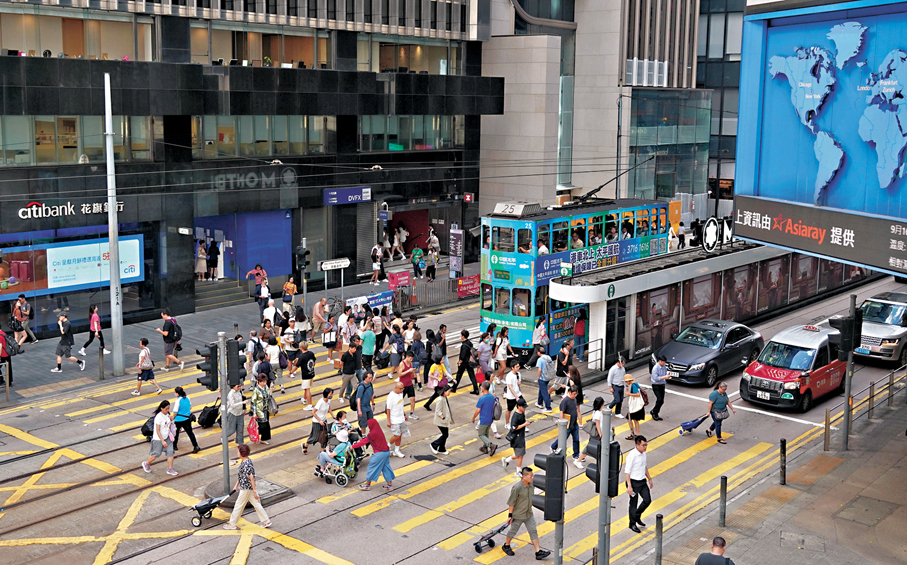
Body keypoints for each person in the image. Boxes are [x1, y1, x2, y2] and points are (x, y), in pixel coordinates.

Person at [500, 467, 551, 560]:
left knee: (533, 531)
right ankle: (506, 545)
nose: (532, 477)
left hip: (528, 514)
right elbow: (511, 502)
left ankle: (538, 552)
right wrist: (510, 516)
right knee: (513, 531)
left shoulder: (531, 485)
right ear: (524, 477)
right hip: (518, 515)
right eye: (530, 476)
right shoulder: (517, 488)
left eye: (532, 475)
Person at [223, 444, 271, 529]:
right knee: (256, 504)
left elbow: (251, 477)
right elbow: (241, 475)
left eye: (238, 452)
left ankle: (232, 524)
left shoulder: (246, 465)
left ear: (242, 453)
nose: (237, 453)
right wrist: (236, 485)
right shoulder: (247, 461)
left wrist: (254, 491)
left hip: (246, 488)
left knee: (238, 505)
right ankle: (266, 521)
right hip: (248, 488)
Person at [355, 418, 395, 491]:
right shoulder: (379, 431)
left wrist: (352, 447)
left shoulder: (372, 434)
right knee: (386, 468)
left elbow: (363, 442)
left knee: (372, 468)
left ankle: (367, 485)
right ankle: (389, 486)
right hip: (386, 452)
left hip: (379, 453)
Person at [625, 435, 653, 533]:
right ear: (637, 445)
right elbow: (627, 472)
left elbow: (644, 466)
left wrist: (649, 478)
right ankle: (632, 523)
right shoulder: (632, 456)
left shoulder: (643, 454)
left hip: (642, 481)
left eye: (646, 445)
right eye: (643, 445)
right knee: (633, 504)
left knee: (647, 500)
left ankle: (637, 515)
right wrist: (629, 486)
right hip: (633, 482)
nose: (645, 447)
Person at [142, 400, 177, 476]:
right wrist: (162, 441)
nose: (167, 410)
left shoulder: (167, 414)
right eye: (166, 409)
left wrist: (171, 418)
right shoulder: (158, 417)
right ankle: (146, 463)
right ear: (162, 408)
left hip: (167, 437)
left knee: (170, 452)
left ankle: (170, 469)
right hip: (158, 439)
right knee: (156, 454)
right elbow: (157, 430)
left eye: (168, 408)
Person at [501, 398, 531, 477]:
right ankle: (517, 471)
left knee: (520, 454)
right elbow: (513, 427)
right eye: (523, 406)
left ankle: (506, 460)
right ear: (519, 406)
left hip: (521, 436)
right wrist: (524, 425)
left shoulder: (522, 413)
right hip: (517, 438)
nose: (524, 408)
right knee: (520, 455)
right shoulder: (516, 415)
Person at [551, 385, 582, 460]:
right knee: (563, 438)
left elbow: (577, 410)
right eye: (573, 394)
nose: (575, 395)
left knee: (576, 439)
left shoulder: (574, 400)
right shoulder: (565, 401)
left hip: (574, 424)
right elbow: (562, 411)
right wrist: (562, 423)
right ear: (569, 392)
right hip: (567, 425)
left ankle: (576, 454)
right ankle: (553, 446)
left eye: (576, 394)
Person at [574, 397, 605, 469]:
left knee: (594, 448)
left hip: (596, 433)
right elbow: (597, 425)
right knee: (590, 448)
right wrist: (601, 436)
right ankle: (578, 460)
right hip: (596, 434)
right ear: (601, 404)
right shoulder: (598, 413)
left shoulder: (596, 412)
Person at [303, 387, 334, 455]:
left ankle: (322, 451)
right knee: (315, 437)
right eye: (330, 394)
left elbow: (328, 407)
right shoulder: (320, 402)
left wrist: (332, 415)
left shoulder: (328, 400)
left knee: (324, 436)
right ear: (326, 394)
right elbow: (313, 412)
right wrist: (319, 420)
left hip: (324, 421)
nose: (331, 395)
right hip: (317, 422)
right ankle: (305, 445)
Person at [471, 381, 497, 457]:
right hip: (490, 418)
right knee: (486, 433)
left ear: (483, 388)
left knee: (481, 434)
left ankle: (491, 445)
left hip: (484, 419)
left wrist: (473, 418)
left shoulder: (482, 398)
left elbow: (478, 410)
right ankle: (484, 447)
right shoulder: (492, 396)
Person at [172, 386, 200, 454]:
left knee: (176, 433)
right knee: (190, 433)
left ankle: (174, 446)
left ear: (177, 393)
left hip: (179, 419)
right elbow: (190, 407)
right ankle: (196, 446)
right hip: (187, 419)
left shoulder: (178, 400)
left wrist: (172, 417)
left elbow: (175, 412)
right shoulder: (187, 398)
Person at [386, 380, 409, 458]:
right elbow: (388, 409)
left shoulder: (401, 394)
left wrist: (404, 414)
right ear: (396, 388)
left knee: (400, 435)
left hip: (401, 418)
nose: (402, 390)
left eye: (402, 388)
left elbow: (401, 405)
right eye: (400, 389)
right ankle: (387, 446)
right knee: (396, 435)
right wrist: (388, 421)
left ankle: (396, 450)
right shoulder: (391, 396)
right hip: (394, 419)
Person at [430, 385, 454, 455]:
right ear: (444, 391)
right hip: (441, 421)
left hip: (444, 420)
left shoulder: (444, 398)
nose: (449, 393)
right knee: (445, 435)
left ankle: (442, 448)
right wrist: (443, 418)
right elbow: (438, 411)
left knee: (445, 434)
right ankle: (434, 445)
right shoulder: (440, 399)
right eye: (449, 391)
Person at [453, 329, 478, 394]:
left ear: (463, 336)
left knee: (458, 375)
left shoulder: (464, 346)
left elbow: (462, 356)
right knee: (472, 375)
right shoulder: (469, 343)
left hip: (464, 363)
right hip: (470, 362)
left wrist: (460, 362)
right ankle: (476, 389)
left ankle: (454, 388)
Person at [250, 374, 273, 445]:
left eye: (265, 381)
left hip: (266, 409)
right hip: (259, 410)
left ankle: (264, 438)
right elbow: (253, 402)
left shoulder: (266, 387)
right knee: (263, 425)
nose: (264, 383)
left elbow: (269, 396)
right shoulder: (256, 390)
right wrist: (254, 412)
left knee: (267, 425)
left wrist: (271, 388)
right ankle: (254, 434)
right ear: (258, 382)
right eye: (262, 382)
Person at [397, 350, 419, 419]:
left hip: (409, 383)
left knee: (412, 398)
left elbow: (410, 373)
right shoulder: (402, 364)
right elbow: (399, 374)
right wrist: (408, 371)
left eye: (412, 359)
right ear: (407, 357)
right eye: (410, 358)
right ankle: (401, 412)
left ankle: (412, 412)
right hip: (402, 385)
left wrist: (413, 371)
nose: (411, 360)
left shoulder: (410, 363)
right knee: (401, 400)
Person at [224, 381, 245, 446]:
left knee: (240, 429)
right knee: (231, 429)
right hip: (233, 413)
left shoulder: (240, 391)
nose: (239, 387)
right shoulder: (231, 394)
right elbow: (232, 405)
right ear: (233, 387)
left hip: (240, 412)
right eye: (237, 386)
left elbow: (243, 398)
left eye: (239, 386)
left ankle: (240, 443)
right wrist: (242, 403)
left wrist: (244, 408)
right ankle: (224, 437)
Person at [503, 361, 523, 428]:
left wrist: (519, 383)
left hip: (518, 394)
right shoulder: (509, 376)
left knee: (522, 408)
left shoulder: (518, 374)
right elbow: (510, 387)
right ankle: (507, 423)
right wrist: (516, 396)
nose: (518, 368)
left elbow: (519, 383)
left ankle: (522, 424)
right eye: (516, 367)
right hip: (511, 396)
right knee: (509, 410)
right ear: (512, 367)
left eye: (518, 366)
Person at [650, 354, 670, 421]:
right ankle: (655, 413)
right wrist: (665, 377)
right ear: (659, 361)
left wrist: (667, 376)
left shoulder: (664, 367)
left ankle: (654, 411)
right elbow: (656, 378)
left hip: (662, 385)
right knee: (659, 399)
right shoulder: (655, 368)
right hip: (656, 385)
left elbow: (664, 374)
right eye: (663, 362)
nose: (664, 363)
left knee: (661, 401)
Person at [625, 373, 644, 440]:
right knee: (636, 420)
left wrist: (629, 394)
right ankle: (637, 434)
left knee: (628, 418)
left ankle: (632, 433)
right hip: (638, 406)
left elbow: (638, 394)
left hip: (635, 407)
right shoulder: (636, 384)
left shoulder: (633, 385)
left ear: (628, 381)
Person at [534, 346, 554, 412]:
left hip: (542, 378)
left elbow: (539, 369)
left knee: (544, 393)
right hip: (548, 377)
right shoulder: (548, 357)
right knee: (541, 390)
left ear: (539, 353)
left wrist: (538, 377)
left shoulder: (540, 359)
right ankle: (539, 403)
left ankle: (548, 407)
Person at [298, 342, 317, 409]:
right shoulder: (311, 353)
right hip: (311, 373)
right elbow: (314, 362)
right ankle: (304, 399)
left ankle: (310, 405)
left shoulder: (301, 356)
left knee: (307, 389)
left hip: (305, 375)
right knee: (306, 388)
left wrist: (290, 372)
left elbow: (296, 366)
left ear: (300, 348)